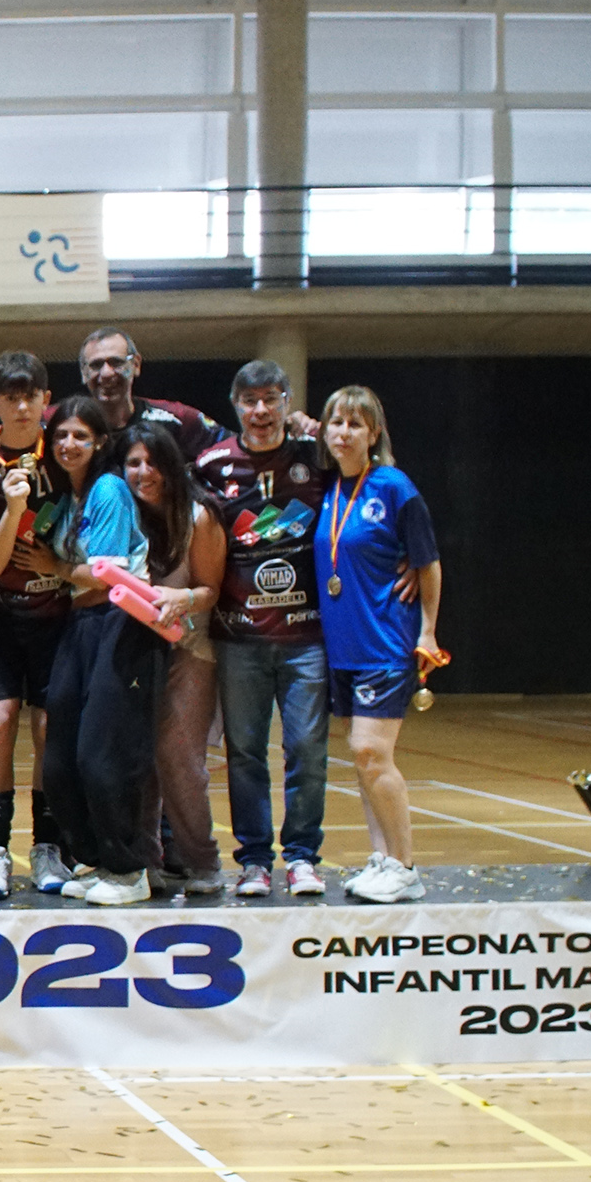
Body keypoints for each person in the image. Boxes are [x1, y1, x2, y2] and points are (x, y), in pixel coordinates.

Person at [196, 359, 329, 898]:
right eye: (250, 401)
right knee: (245, 753)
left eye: (272, 399)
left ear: (287, 403)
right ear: (236, 406)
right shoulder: (211, 465)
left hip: (307, 638)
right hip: (239, 638)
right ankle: (254, 861)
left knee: (307, 750)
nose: (261, 410)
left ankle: (302, 857)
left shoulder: (315, 456)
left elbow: (372, 475)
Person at [36, 397, 167, 907]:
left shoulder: (108, 489)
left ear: (99, 443)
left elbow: (107, 573)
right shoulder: (69, 498)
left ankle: (129, 869)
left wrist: (55, 567)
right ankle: (95, 859)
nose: (68, 444)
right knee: (59, 759)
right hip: (80, 624)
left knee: (102, 754)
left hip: (121, 624)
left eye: (80, 436)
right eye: (61, 435)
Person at [0, 351, 77, 899]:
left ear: (46, 399)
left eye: (31, 396)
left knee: (49, 727)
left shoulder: (69, 453)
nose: (22, 407)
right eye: (11, 398)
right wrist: (12, 508)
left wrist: (60, 567)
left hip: (58, 616)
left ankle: (48, 846)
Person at [315, 387, 442, 904]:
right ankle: (382, 858)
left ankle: (405, 867)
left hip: (386, 644)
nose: (344, 432)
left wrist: (427, 631)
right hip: (344, 648)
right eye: (336, 422)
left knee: (371, 751)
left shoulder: (393, 487)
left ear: (374, 434)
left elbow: (427, 562)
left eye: (355, 424)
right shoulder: (330, 489)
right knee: (362, 759)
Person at [124, 427, 228, 897]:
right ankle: (146, 864)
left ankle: (204, 863)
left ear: (171, 467)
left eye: (153, 463)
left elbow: (211, 590)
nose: (143, 473)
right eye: (133, 463)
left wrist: (180, 597)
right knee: (137, 759)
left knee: (179, 759)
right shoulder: (123, 514)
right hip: (136, 652)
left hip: (191, 648)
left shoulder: (198, 517)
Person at [77, 326, 218, 464]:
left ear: (136, 364)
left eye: (116, 362)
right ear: (83, 372)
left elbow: (228, 446)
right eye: (96, 365)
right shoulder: (68, 425)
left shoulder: (174, 418)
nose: (106, 373)